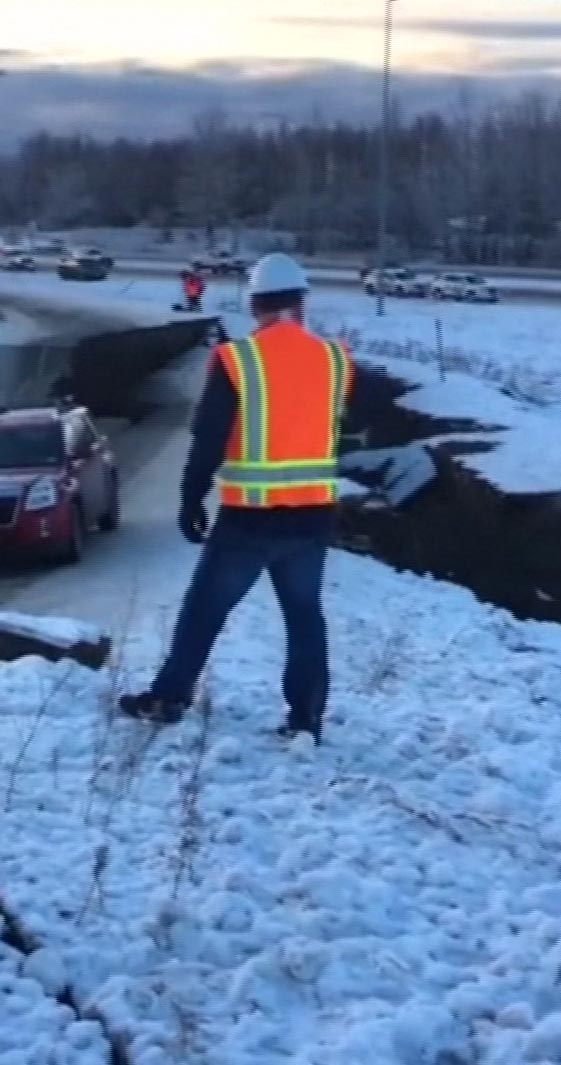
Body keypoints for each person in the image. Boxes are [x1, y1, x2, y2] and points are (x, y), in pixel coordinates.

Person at [119, 253, 350, 742]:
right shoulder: (335, 359)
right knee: (305, 616)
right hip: (313, 518)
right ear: (301, 302)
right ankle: (307, 718)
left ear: (255, 303)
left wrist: (189, 498)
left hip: (251, 518)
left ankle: (169, 697)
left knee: (205, 609)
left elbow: (208, 437)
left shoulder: (237, 359)